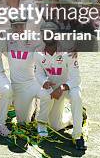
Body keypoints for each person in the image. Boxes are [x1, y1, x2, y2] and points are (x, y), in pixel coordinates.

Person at [35, 22, 86, 151]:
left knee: (76, 96)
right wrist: (44, 82)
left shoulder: (69, 52)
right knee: (55, 126)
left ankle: (78, 135)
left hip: (68, 87)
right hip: (53, 89)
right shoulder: (38, 53)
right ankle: (72, 116)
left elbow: (76, 79)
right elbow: (38, 73)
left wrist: (63, 87)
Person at [7, 17, 45, 125]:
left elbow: (52, 42)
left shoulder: (33, 39)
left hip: (32, 83)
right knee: (22, 123)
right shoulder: (6, 40)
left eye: (21, 25)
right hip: (18, 87)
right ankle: (32, 107)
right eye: (15, 26)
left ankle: (65, 115)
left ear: (25, 26)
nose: (19, 29)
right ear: (11, 27)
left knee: (48, 95)